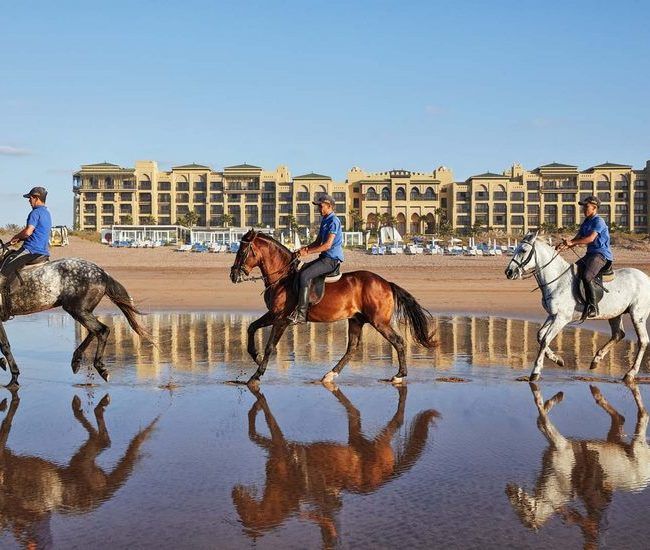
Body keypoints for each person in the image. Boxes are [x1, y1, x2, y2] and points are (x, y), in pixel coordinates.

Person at [287, 194, 344, 324]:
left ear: (329, 206)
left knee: (305, 276)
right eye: (318, 206)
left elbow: (327, 245)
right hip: (324, 258)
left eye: (320, 205)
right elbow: (318, 241)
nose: (318, 208)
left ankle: (301, 314)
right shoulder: (325, 220)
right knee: (300, 270)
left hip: (331, 260)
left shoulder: (334, 221)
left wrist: (308, 252)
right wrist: (304, 249)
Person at [555, 195, 613, 320]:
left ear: (594, 208)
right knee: (571, 271)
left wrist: (572, 243)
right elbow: (577, 239)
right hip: (590, 255)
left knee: (587, 276)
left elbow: (590, 238)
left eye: (586, 207)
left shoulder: (599, 221)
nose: (584, 210)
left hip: (601, 255)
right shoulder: (586, 222)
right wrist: (564, 246)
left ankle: (593, 307)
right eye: (583, 207)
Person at [0, 187, 52, 321]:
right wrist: (17, 239)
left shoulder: (34, 213)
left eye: (30, 198)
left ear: (36, 198)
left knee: (3, 270)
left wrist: (18, 235)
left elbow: (28, 232)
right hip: (43, 251)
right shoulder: (46, 213)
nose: (29, 200)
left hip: (31, 250)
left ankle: (3, 307)